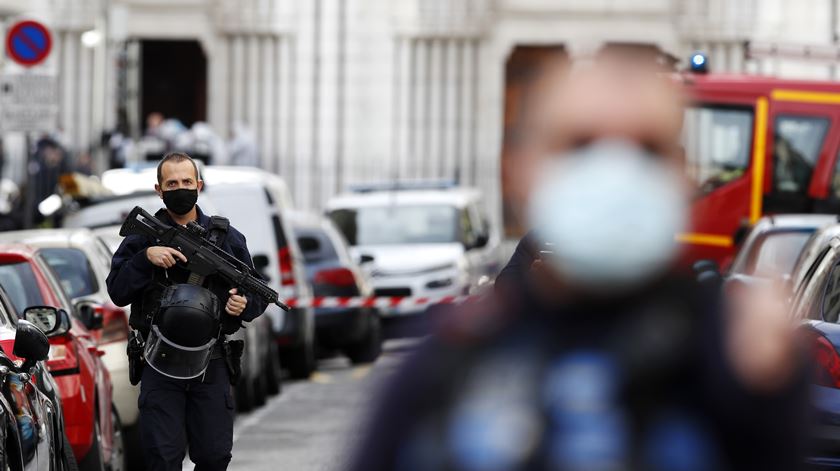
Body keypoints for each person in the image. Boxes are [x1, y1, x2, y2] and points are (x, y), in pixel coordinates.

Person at [347, 58, 808, 471]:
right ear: (520, 171)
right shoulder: (447, 370)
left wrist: (768, 402)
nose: (614, 172)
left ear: (681, 174)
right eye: (580, 146)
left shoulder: (738, 365)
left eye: (646, 150)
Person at [106, 152, 266, 471]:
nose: (180, 188)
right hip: (159, 361)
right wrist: (145, 258)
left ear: (199, 185)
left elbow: (256, 290)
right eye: (172, 183)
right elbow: (117, 291)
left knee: (214, 455)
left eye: (187, 182)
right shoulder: (143, 238)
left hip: (212, 361)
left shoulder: (226, 239)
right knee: (162, 457)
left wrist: (243, 304)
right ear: (159, 189)